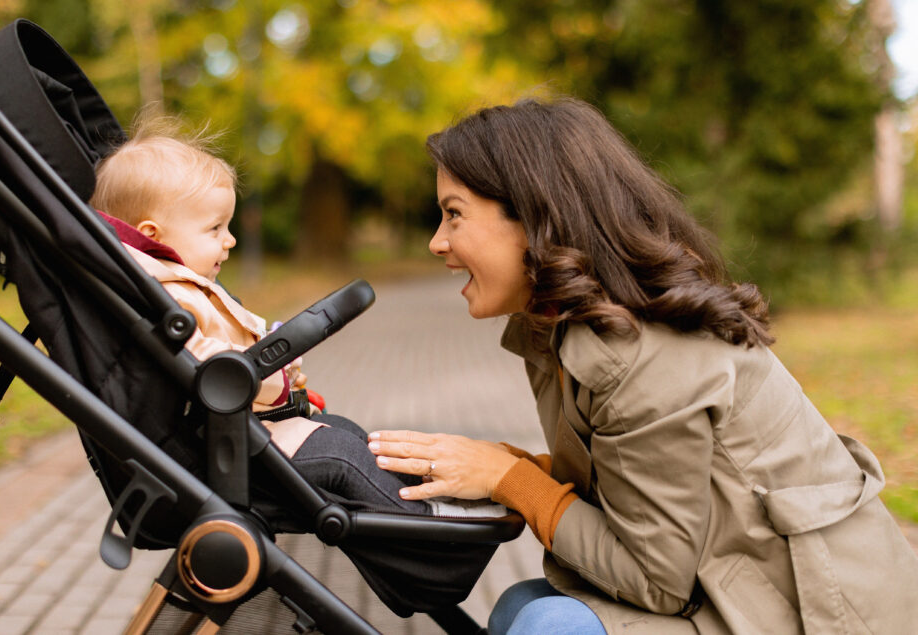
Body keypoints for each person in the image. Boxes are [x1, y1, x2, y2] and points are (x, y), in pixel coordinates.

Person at [367, 97, 918, 633]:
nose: (437, 242)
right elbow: (633, 482)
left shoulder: (643, 355)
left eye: (454, 215)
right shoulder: (558, 326)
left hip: (817, 615)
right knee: (519, 605)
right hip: (730, 586)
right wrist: (500, 468)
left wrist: (510, 480)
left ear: (535, 217)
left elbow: (657, 581)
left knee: (548, 625)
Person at [89, 115, 439, 515]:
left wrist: (276, 368)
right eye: (215, 228)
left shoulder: (177, 287)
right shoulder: (165, 298)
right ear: (152, 235)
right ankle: (426, 522)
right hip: (225, 447)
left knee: (348, 434)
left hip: (244, 428)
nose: (231, 239)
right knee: (341, 454)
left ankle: (424, 499)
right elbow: (211, 368)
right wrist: (277, 379)